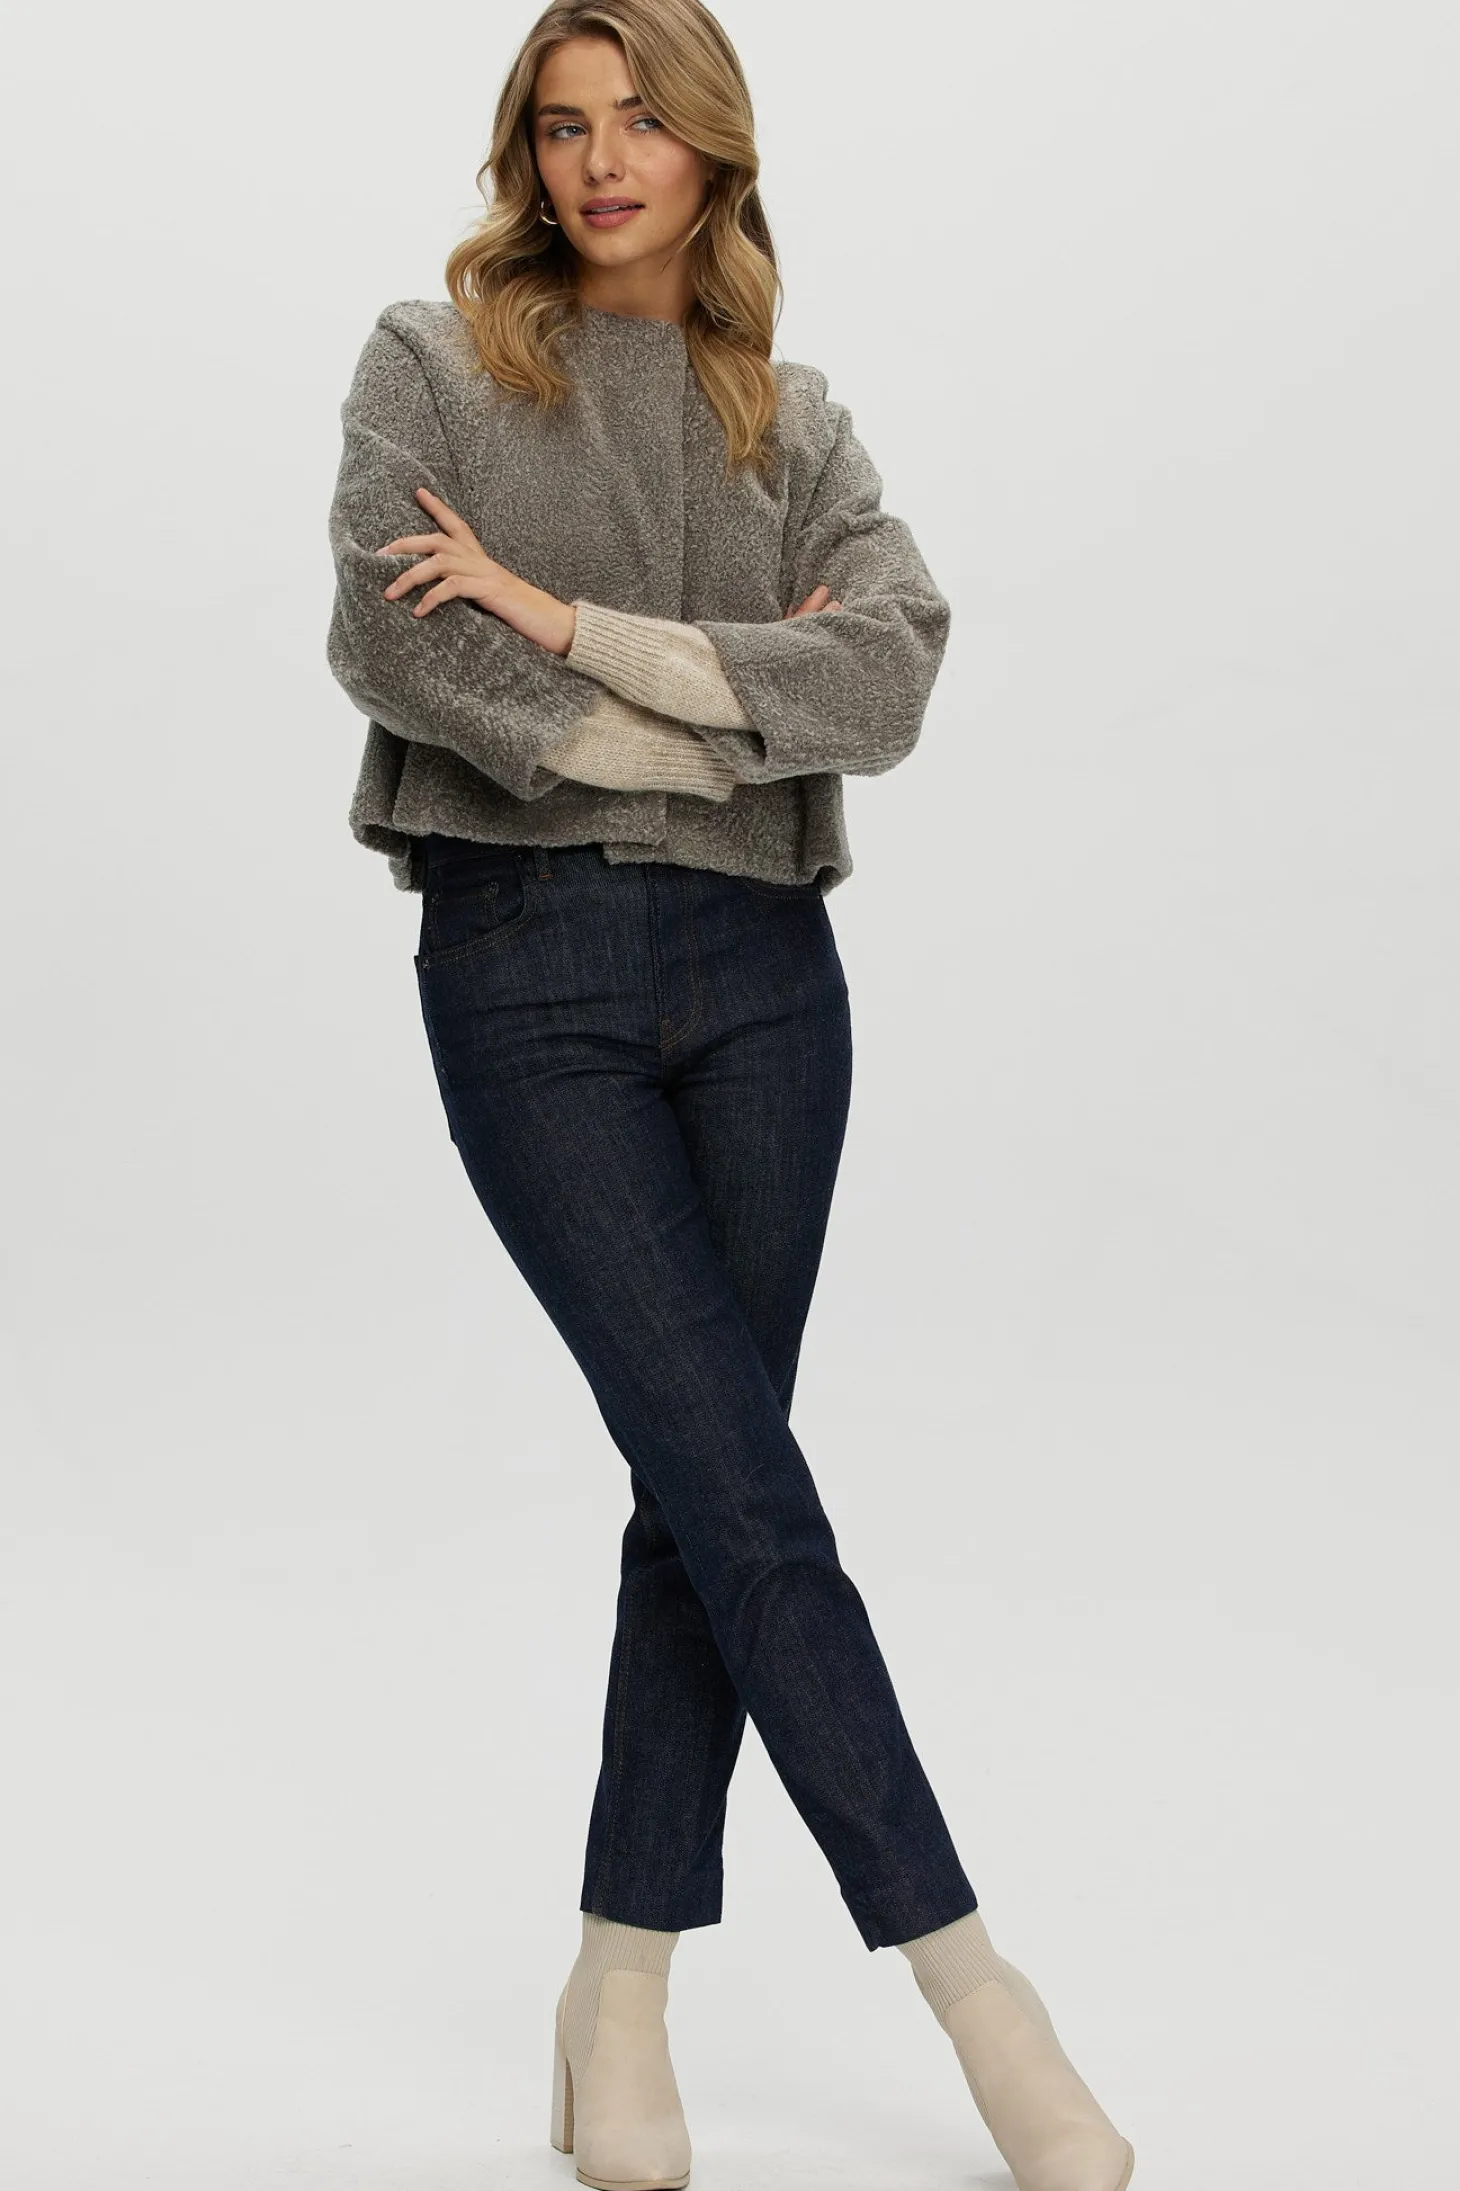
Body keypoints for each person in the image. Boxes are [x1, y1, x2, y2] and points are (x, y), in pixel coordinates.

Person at [325, 6, 1135, 2188]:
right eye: (561, 127)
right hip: (527, 973)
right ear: (525, 152)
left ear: (713, 152)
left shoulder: (792, 414)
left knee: (708, 1488)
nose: (602, 164)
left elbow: (891, 667)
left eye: (642, 124)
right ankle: (979, 1994)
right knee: (745, 1496)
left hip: (772, 983)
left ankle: (618, 1986)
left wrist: (562, 622)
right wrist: (725, 716)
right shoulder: (433, 363)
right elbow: (401, 648)